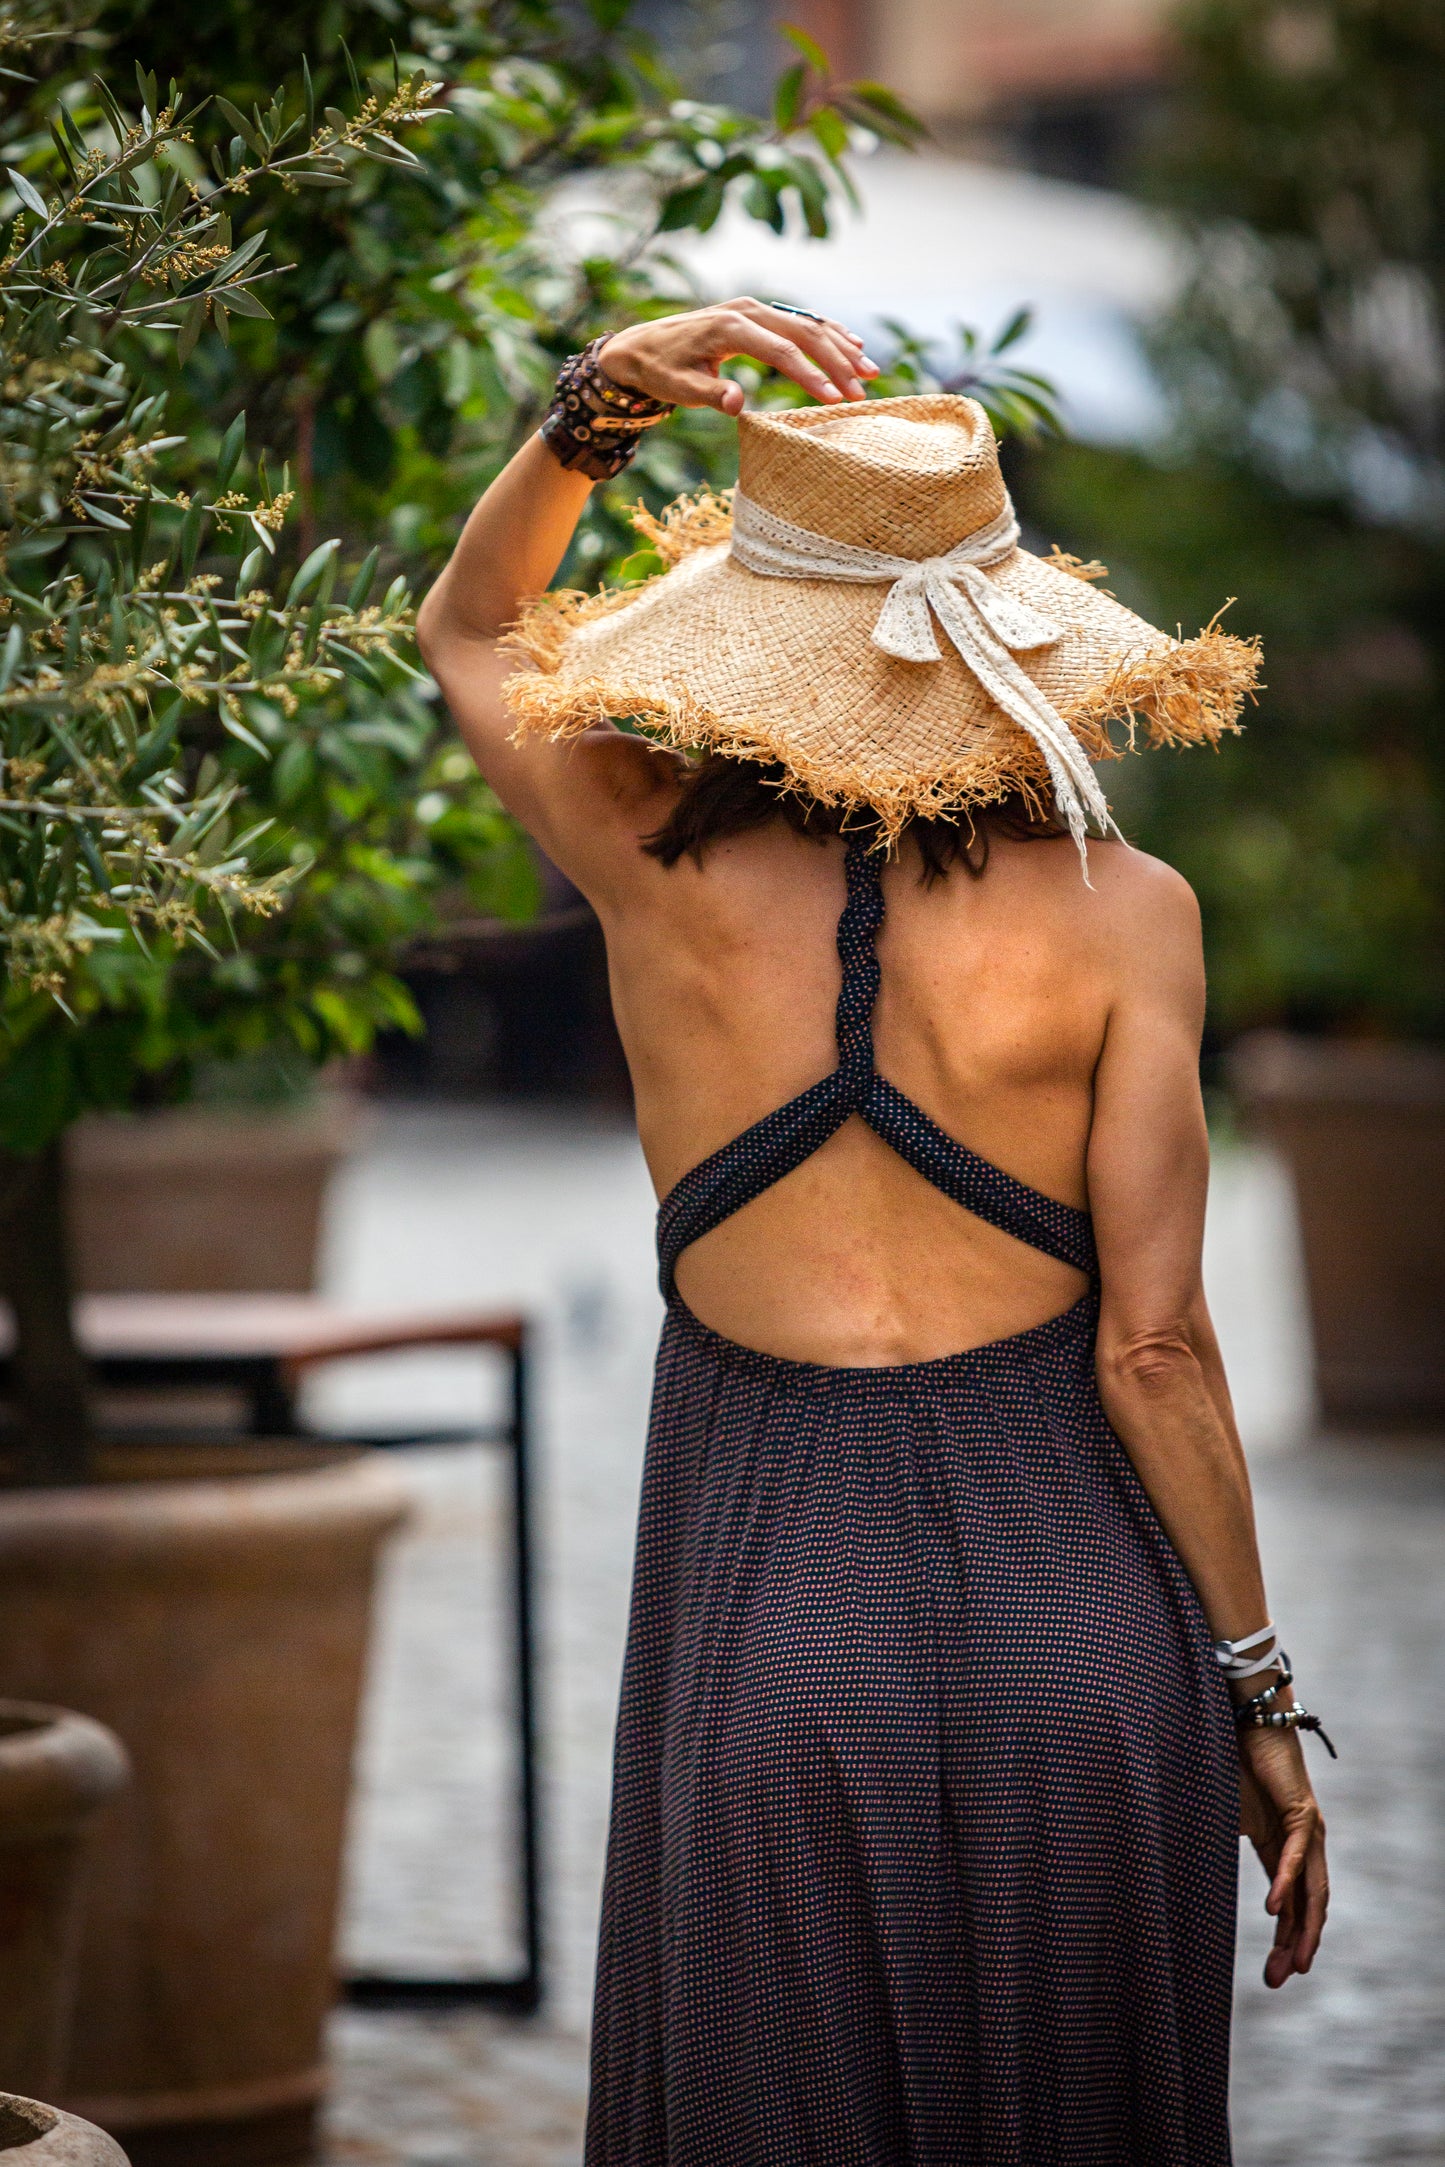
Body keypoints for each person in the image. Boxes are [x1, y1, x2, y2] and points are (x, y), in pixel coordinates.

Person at [418, 299, 1332, 2167]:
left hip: (772, 1645)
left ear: (747, 642)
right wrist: (1255, 1694)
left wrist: (593, 410)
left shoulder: (646, 862)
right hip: (1086, 1656)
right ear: (1018, 640)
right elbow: (1152, 1351)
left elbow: (460, 626)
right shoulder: (1130, 915)